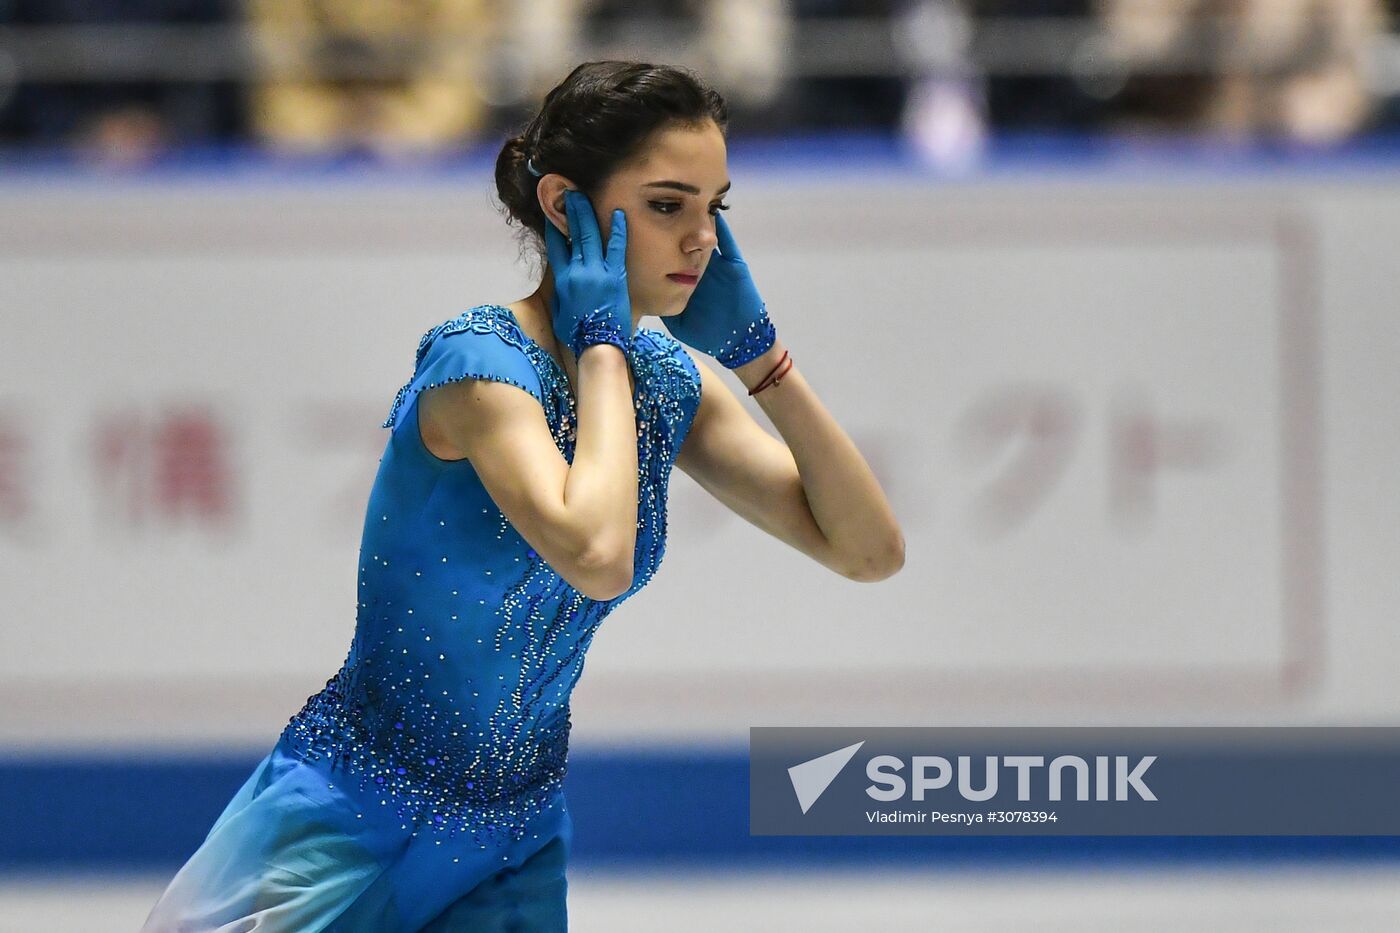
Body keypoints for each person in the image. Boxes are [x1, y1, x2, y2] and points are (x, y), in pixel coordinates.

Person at [141, 60, 904, 932]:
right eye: (667, 205)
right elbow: (597, 554)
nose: (703, 240)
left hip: (512, 842)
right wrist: (604, 344)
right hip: (346, 817)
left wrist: (765, 363)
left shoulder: (663, 386)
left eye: (714, 206)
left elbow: (870, 551)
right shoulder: (481, 370)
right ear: (561, 207)